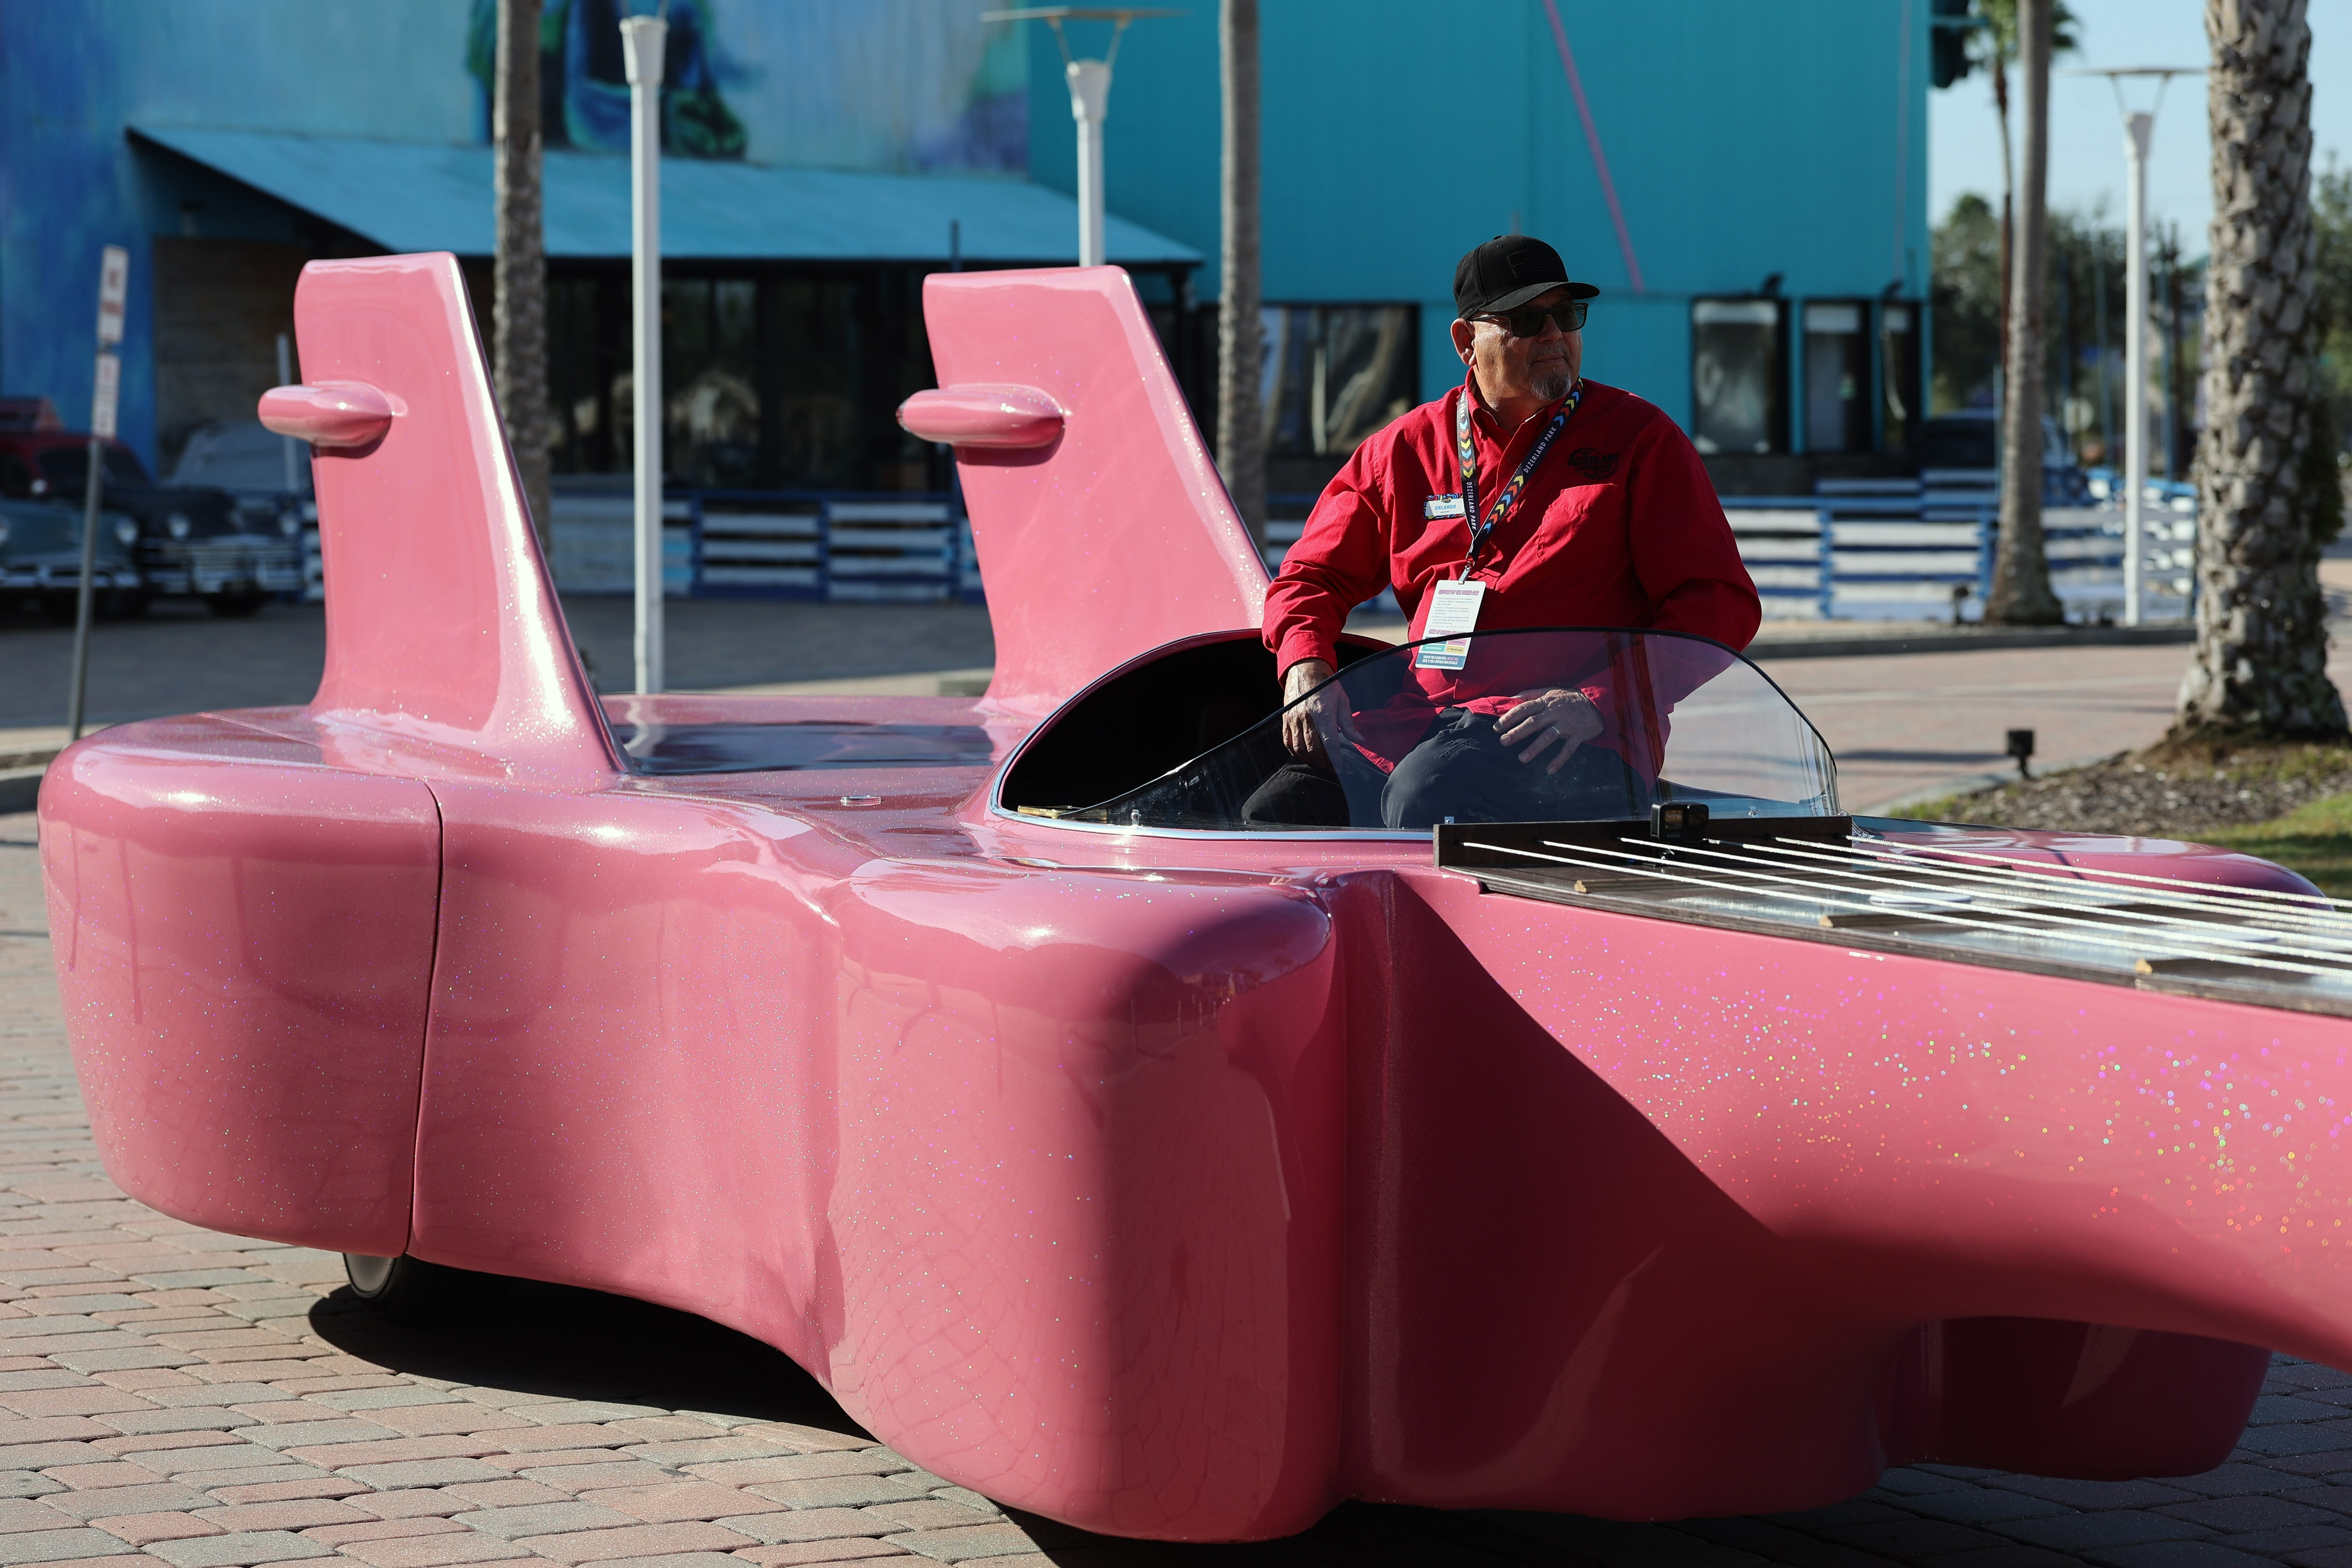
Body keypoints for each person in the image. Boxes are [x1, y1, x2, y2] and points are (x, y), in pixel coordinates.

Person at [1246, 234, 1761, 829]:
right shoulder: (1405, 449)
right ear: (1467, 342)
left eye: (1566, 315)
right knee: (1271, 815)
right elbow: (1311, 575)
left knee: (1425, 800)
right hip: (1420, 725)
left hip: (1568, 738)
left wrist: (1599, 701)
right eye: (1525, 320)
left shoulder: (1641, 440)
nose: (1553, 335)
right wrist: (1306, 664)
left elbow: (1721, 603)